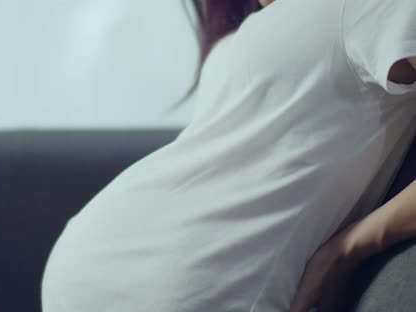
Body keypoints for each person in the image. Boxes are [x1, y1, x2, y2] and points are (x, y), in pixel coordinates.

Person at [41, 0, 416, 311]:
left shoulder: (365, 6)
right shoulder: (246, 33)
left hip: (201, 284)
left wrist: (350, 246)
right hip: (91, 276)